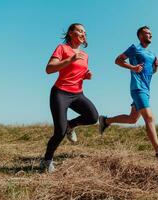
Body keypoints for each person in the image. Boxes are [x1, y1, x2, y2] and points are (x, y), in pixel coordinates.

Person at [99, 26, 158, 158]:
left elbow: (151, 72)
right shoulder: (135, 48)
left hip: (146, 89)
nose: (150, 35)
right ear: (140, 36)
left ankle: (106, 121)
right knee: (149, 118)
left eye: (151, 33)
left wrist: (156, 66)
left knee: (132, 119)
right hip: (137, 88)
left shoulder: (152, 54)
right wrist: (132, 67)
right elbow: (118, 60)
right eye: (147, 33)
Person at [40, 23, 99, 172]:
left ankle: (70, 126)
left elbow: (75, 73)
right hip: (60, 93)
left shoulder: (85, 55)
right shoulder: (62, 48)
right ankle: (47, 161)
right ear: (71, 33)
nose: (83, 34)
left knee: (93, 116)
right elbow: (49, 69)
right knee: (59, 131)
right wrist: (70, 60)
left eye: (85, 32)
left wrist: (85, 76)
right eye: (80, 31)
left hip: (77, 93)